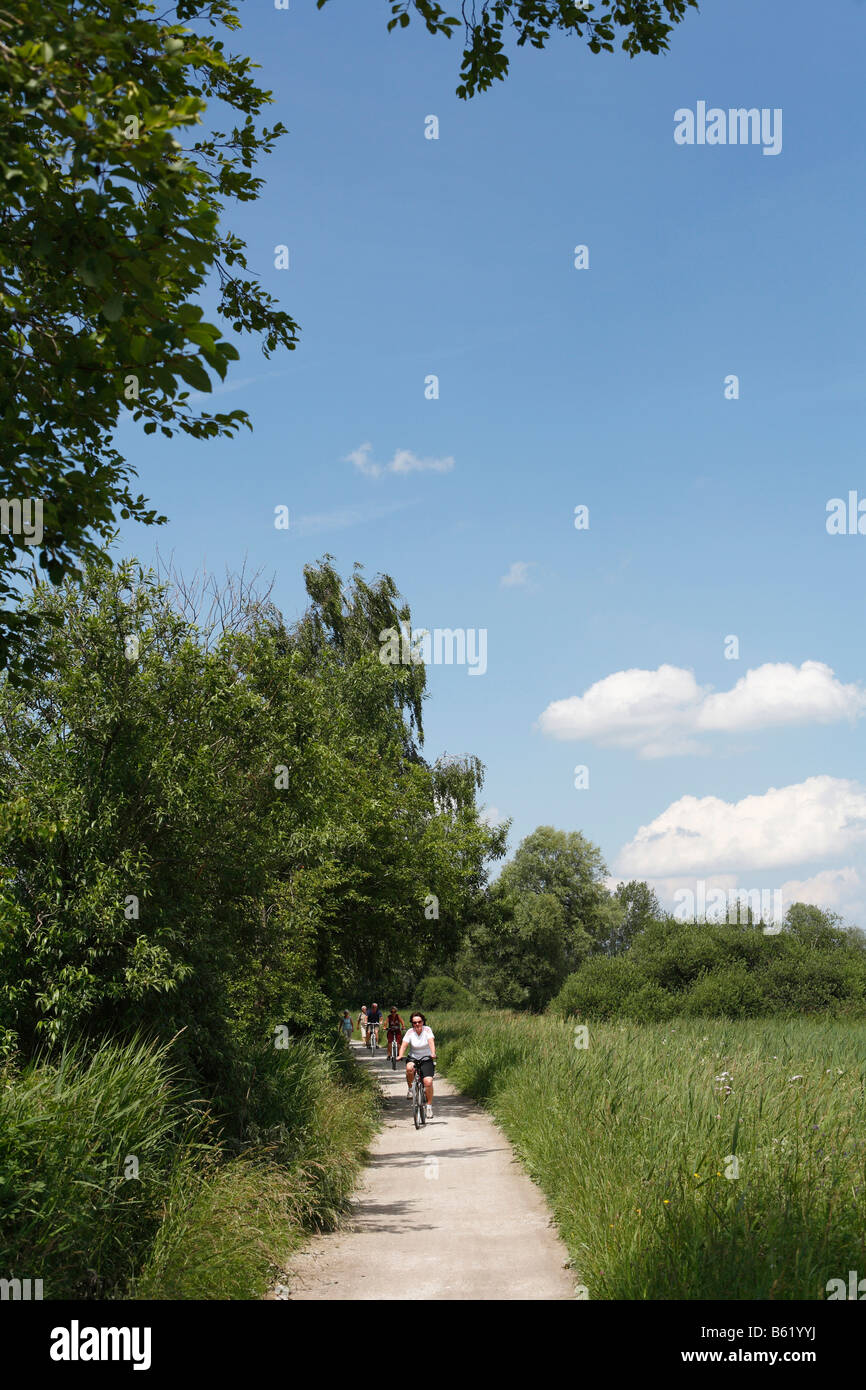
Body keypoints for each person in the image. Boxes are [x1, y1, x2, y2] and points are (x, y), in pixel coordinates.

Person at [398, 1011, 436, 1119]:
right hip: (413, 1057)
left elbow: (431, 1042)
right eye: (414, 1023)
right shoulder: (410, 1032)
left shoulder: (427, 1030)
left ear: (423, 1022)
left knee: (428, 1081)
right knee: (409, 1068)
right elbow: (404, 1044)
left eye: (419, 1022)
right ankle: (410, 1089)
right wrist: (400, 1055)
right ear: (412, 1024)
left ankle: (428, 1107)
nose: (417, 1024)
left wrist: (433, 1053)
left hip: (426, 1058)